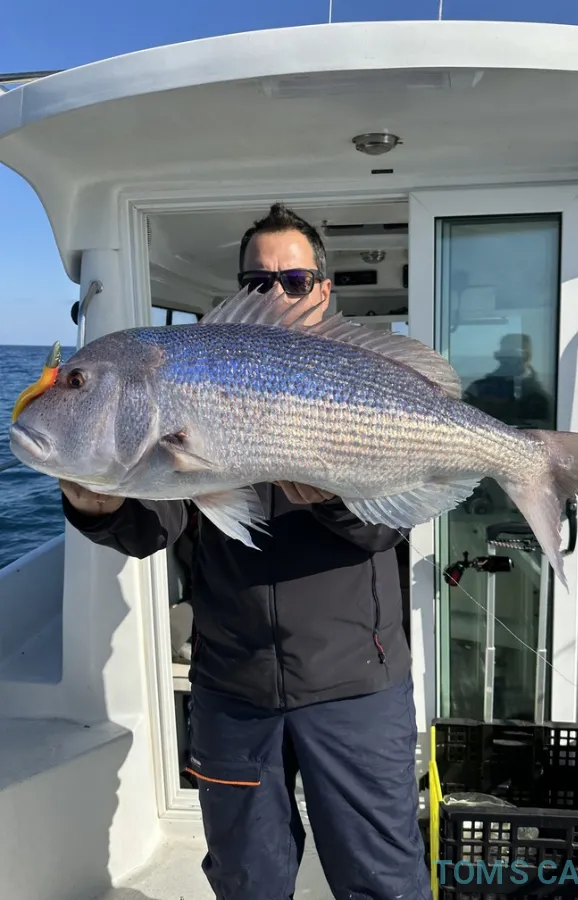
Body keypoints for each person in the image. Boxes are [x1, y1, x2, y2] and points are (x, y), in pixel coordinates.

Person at [60, 203, 431, 900]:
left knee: (381, 878)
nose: (277, 293)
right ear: (239, 290)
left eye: (295, 280)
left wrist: (327, 497)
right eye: (259, 281)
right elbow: (153, 527)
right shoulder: (198, 381)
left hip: (356, 686)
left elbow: (385, 530)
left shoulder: (359, 377)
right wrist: (96, 504)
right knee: (246, 880)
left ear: (324, 289)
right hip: (233, 688)